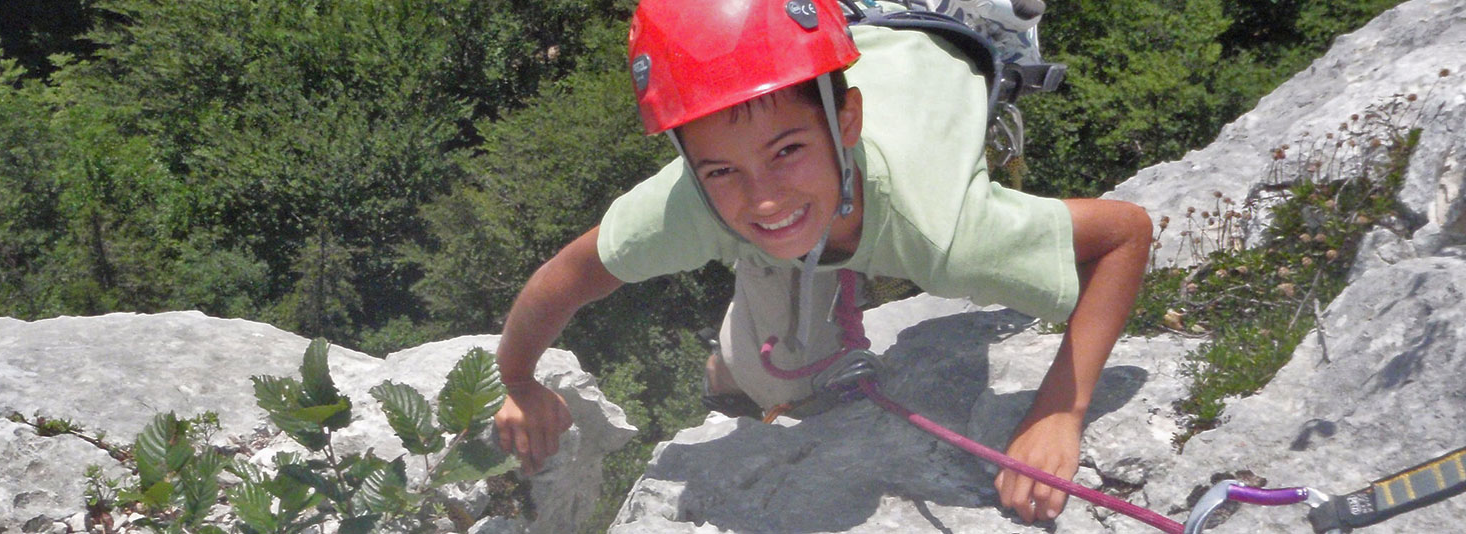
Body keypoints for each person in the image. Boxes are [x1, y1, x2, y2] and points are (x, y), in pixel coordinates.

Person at [491, 0, 1151, 524]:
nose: (764, 195)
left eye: (786, 151)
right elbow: (567, 276)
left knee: (781, 280)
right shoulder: (691, 205)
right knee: (774, 371)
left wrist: (1058, 410)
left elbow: (1125, 236)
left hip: (924, 60)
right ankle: (732, 363)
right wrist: (520, 382)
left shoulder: (944, 231)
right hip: (828, 93)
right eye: (721, 168)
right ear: (690, 168)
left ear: (847, 122)